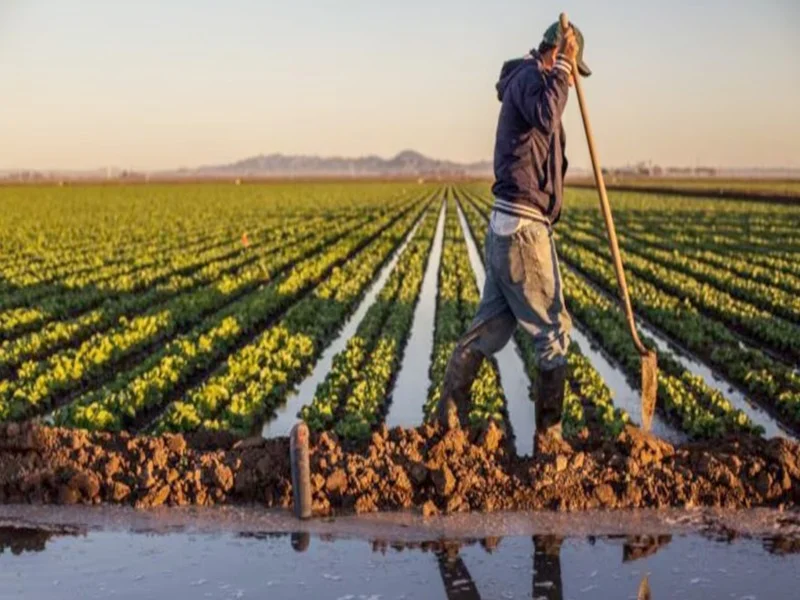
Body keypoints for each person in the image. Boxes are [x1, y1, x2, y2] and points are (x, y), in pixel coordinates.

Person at [437, 21, 591, 455]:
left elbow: (547, 134)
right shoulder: (530, 78)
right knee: (553, 331)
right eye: (571, 66)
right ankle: (550, 439)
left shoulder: (533, 83)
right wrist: (563, 65)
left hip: (511, 228)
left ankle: (448, 422)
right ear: (554, 53)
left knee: (491, 327)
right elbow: (546, 114)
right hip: (522, 230)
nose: (573, 78)